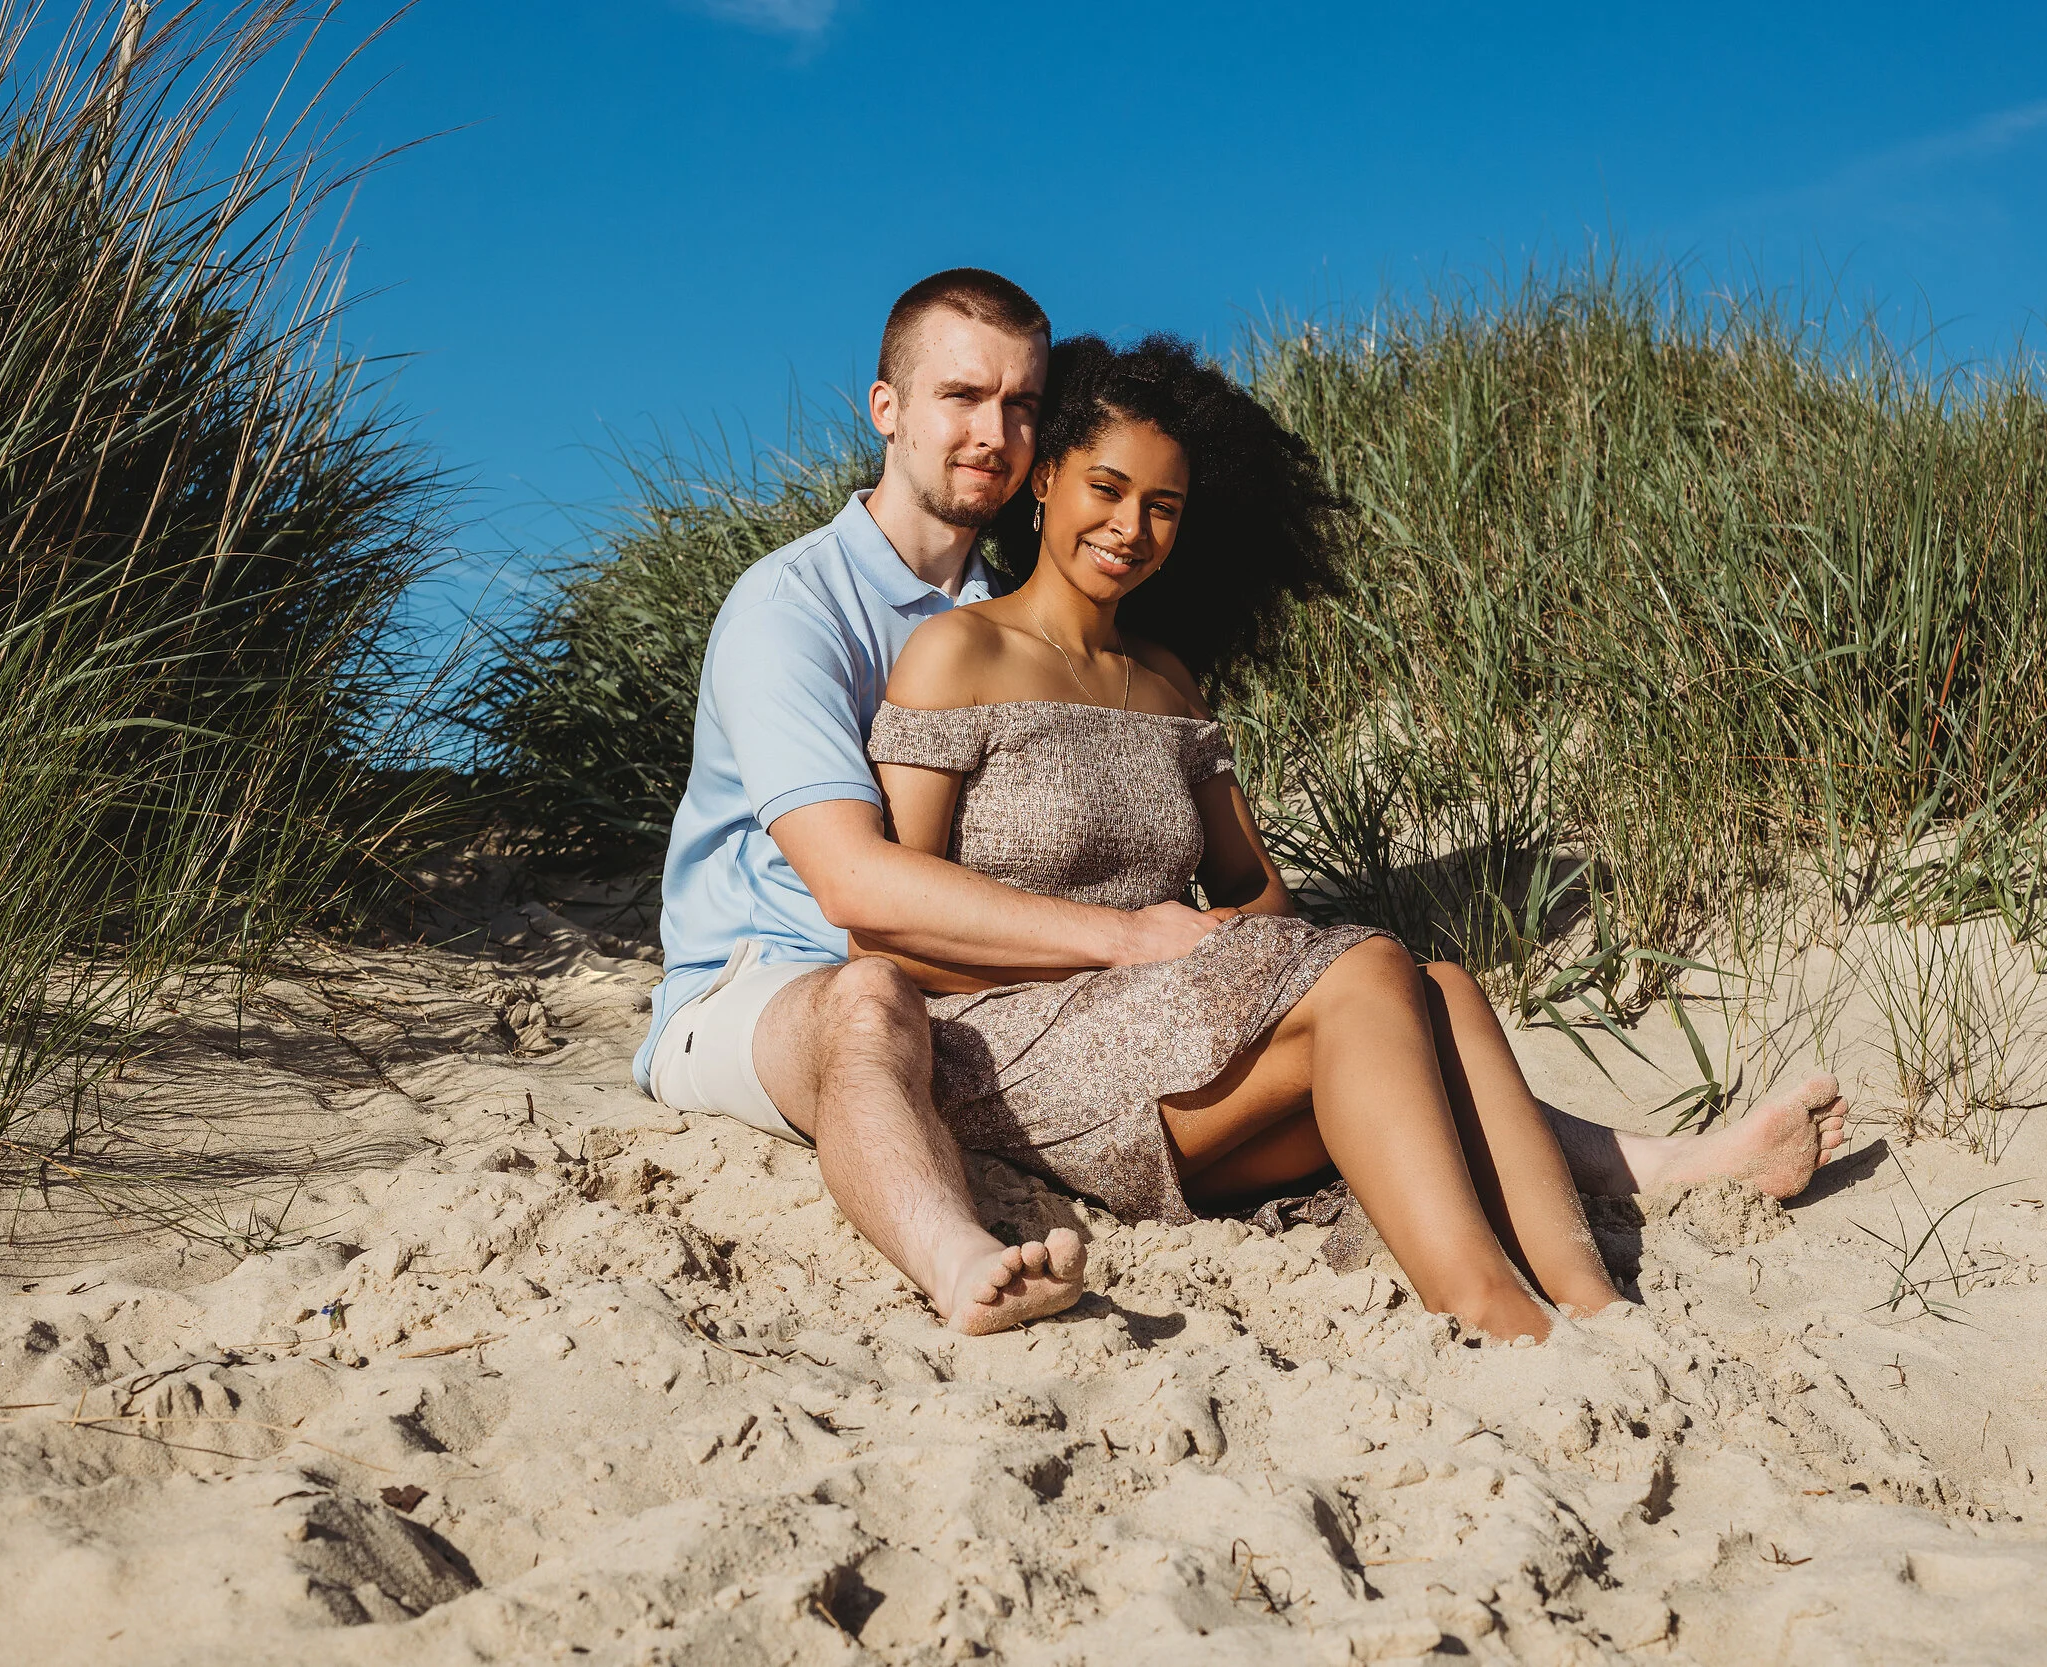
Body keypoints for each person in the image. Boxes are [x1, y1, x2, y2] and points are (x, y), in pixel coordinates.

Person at [643, 268, 1841, 1339]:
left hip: (1048, 985)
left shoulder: (1057, 624)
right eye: (962, 397)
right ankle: (962, 1258)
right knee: (871, 1000)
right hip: (768, 973)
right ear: (887, 409)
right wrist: (1133, 938)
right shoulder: (797, 609)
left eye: (1020, 403)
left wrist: (1182, 940)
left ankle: (1601, 1281)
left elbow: (1220, 871)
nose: (994, 432)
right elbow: (858, 893)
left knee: (1431, 990)